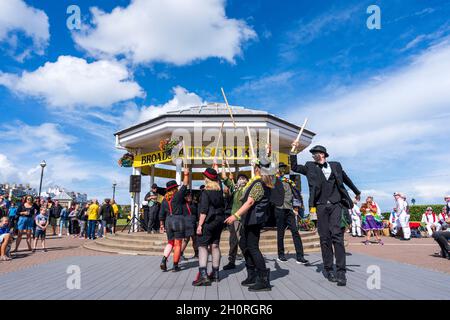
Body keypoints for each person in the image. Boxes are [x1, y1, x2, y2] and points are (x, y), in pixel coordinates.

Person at [290, 143, 361, 287]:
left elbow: (345, 179)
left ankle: (341, 271)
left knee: (337, 237)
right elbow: (294, 167)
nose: (315, 155)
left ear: (323, 155)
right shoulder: (310, 166)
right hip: (321, 206)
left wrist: (356, 191)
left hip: (336, 204)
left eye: (317, 153)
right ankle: (328, 269)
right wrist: (293, 151)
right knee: (325, 238)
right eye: (313, 153)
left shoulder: (336, 165)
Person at [225, 159, 274, 292]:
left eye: (255, 167)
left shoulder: (259, 183)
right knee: (244, 245)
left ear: (258, 169)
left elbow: (250, 202)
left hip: (254, 220)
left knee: (252, 247)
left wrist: (235, 215)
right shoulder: (257, 181)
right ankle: (252, 274)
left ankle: (263, 279)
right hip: (249, 219)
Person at [192, 167, 226, 286]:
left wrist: (200, 225)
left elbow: (204, 211)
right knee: (215, 245)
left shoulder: (205, 192)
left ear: (207, 179)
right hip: (219, 221)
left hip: (208, 221)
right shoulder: (219, 191)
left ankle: (203, 275)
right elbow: (220, 180)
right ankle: (216, 274)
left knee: (202, 246)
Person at [274, 162, 309, 264]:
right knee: (280, 233)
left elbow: (296, 195)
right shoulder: (274, 181)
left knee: (295, 232)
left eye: (284, 168)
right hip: (279, 209)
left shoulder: (289, 181)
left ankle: (300, 257)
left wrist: (296, 208)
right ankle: (281, 255)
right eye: (280, 168)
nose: (282, 170)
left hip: (289, 210)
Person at [159, 167, 190, 272]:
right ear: (175, 188)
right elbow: (185, 184)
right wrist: (186, 174)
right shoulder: (178, 195)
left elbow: (161, 214)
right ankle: (175, 266)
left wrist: (161, 225)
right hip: (178, 221)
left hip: (168, 221)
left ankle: (164, 259)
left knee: (170, 242)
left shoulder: (164, 200)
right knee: (178, 244)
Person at [221, 162, 248, 270]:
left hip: (246, 218)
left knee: (245, 240)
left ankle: (249, 260)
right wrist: (223, 166)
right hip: (235, 218)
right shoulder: (234, 188)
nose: (241, 179)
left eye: (243, 178)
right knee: (233, 240)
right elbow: (224, 177)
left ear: (247, 181)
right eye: (240, 178)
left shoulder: (248, 189)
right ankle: (231, 261)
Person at [181, 190, 198, 259]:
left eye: (190, 196)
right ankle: (180, 253)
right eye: (187, 196)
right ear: (185, 197)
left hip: (192, 223)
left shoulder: (193, 204)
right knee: (187, 239)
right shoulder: (184, 205)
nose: (189, 197)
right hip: (188, 223)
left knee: (194, 239)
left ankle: (196, 253)